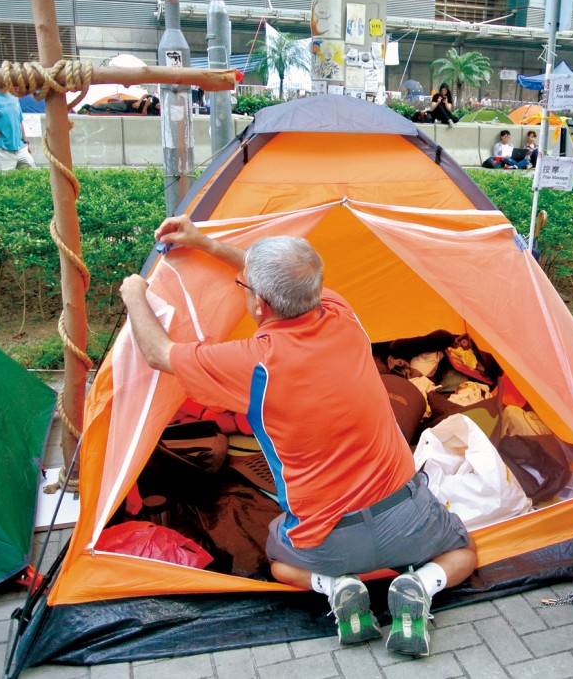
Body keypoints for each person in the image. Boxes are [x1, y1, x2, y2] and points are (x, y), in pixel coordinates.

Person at [119, 217, 477, 657]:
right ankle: (419, 584)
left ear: (258, 306)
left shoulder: (254, 363)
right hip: (406, 518)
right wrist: (205, 242)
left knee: (281, 563)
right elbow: (279, 279)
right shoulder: (342, 314)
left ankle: (336, 586)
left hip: (325, 539)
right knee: (462, 552)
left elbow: (157, 353)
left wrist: (134, 292)